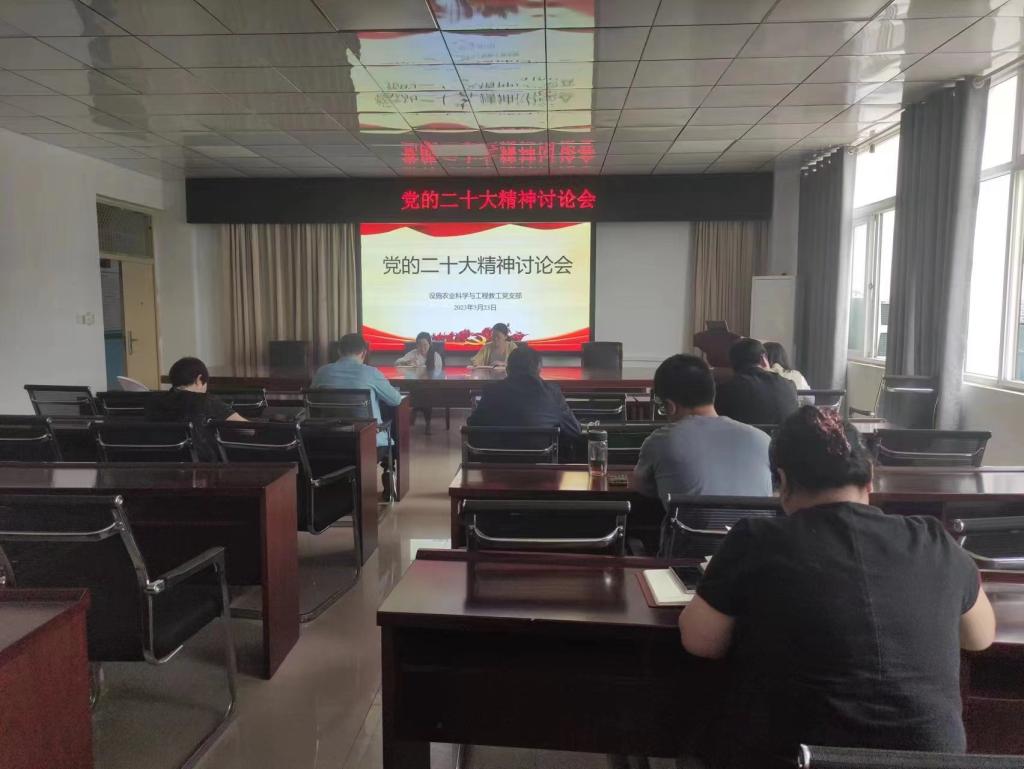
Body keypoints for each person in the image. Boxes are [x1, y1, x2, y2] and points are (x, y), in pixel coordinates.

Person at [679, 407, 996, 769]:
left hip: (796, 758)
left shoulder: (756, 539)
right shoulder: (934, 540)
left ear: (783, 481)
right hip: (929, 760)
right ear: (870, 477)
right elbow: (980, 637)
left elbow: (701, 642)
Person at [634, 354, 772, 502]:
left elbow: (641, 486)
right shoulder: (763, 439)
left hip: (687, 519)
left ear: (670, 406)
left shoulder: (661, 441)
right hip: (759, 519)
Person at [468, 346, 581, 452]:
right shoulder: (552, 393)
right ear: (539, 369)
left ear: (507, 369)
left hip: (495, 463)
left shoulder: (491, 391)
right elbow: (574, 430)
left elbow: (472, 426)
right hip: (543, 463)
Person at [311, 333, 403, 450]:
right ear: (364, 353)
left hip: (330, 440)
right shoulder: (371, 373)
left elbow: (312, 400)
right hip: (367, 442)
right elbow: (395, 400)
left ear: (339, 351)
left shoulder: (322, 372)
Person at [145, 356, 245, 462]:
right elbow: (248, 429)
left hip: (159, 464)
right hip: (202, 467)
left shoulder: (154, 401)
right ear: (199, 379)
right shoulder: (206, 401)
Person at [714, 337, 799, 426]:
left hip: (742, 435)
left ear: (732, 364)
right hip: (784, 435)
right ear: (763, 358)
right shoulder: (789, 385)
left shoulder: (725, 390)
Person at [395, 332, 443, 434]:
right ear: (416, 345)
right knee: (421, 393)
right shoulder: (413, 354)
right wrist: (408, 362)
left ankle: (417, 410)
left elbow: (437, 374)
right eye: (420, 345)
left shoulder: (435, 356)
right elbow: (397, 363)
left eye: (425, 345)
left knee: (426, 393)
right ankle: (424, 419)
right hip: (414, 385)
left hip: (430, 386)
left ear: (430, 344)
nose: (422, 348)